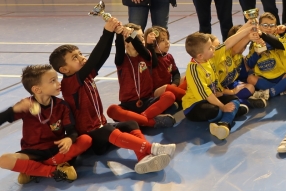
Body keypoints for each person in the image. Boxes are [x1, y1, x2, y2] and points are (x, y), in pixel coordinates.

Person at [49, 19, 175, 174]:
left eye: (80, 54)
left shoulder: (86, 77)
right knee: (109, 130)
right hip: (91, 135)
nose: (81, 58)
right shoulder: (70, 83)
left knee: (131, 124)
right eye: (74, 58)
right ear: (64, 69)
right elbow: (94, 58)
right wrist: (106, 32)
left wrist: (113, 34)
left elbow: (102, 56)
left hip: (102, 129)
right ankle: (152, 148)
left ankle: (143, 157)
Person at [0, 65, 92, 184]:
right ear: (37, 89)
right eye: (53, 81)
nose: (59, 83)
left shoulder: (61, 105)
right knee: (3, 160)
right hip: (32, 152)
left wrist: (69, 138)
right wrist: (13, 109)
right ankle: (54, 171)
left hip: (56, 149)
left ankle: (33, 169)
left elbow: (71, 130)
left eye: (57, 79)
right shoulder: (27, 105)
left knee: (86, 140)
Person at [181, 23, 255, 140]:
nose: (214, 48)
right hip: (195, 105)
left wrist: (248, 29)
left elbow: (228, 43)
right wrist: (223, 107)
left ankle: (223, 124)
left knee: (234, 100)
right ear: (200, 55)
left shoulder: (210, 58)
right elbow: (207, 94)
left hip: (214, 97)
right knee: (214, 111)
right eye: (210, 48)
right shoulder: (194, 69)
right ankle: (229, 115)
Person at [105, 24, 176, 128]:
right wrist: (119, 34)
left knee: (170, 96)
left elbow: (140, 47)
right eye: (136, 37)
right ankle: (150, 121)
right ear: (126, 42)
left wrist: (131, 34)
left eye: (142, 37)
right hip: (127, 105)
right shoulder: (121, 60)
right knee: (112, 110)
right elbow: (119, 48)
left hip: (147, 101)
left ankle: (138, 119)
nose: (142, 40)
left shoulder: (146, 56)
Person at [246, 13, 286, 100]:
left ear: (276, 27)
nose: (269, 28)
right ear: (258, 26)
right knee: (250, 79)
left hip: (281, 76)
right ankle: (280, 89)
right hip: (264, 77)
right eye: (265, 25)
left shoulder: (278, 39)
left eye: (272, 25)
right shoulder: (254, 42)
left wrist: (284, 28)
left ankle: (270, 93)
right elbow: (250, 64)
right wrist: (257, 54)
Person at [144, 26, 185, 100]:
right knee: (168, 89)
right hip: (156, 92)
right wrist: (150, 45)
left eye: (167, 39)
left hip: (170, 88)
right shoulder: (149, 58)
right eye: (162, 40)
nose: (167, 42)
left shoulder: (169, 57)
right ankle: (188, 97)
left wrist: (174, 84)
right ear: (154, 43)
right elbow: (154, 63)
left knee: (186, 79)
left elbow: (176, 73)